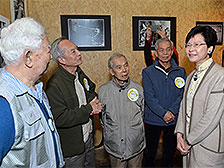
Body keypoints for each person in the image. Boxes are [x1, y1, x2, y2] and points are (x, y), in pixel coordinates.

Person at [0, 17, 64, 167]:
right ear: (28, 57)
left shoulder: (35, 88)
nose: (51, 57)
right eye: (48, 50)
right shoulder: (4, 105)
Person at [45, 37, 102, 168]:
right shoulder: (54, 85)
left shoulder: (79, 73)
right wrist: (89, 109)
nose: (78, 53)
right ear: (61, 60)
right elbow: (60, 118)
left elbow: (90, 89)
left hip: (88, 139)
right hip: (72, 149)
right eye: (73, 51)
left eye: (77, 49)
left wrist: (94, 100)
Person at [175, 26, 224, 168]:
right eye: (188, 45)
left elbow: (211, 117)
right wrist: (179, 134)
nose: (191, 49)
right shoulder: (191, 76)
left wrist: (188, 140)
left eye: (197, 44)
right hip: (188, 144)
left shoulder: (220, 75)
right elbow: (183, 106)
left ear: (210, 48)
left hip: (208, 146)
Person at [142, 38, 186, 167]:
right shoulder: (148, 72)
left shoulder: (181, 71)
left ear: (172, 52)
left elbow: (182, 95)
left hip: (173, 119)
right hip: (153, 120)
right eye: (161, 50)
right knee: (149, 154)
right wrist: (163, 113)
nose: (165, 53)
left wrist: (172, 111)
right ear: (156, 52)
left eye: (168, 49)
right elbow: (149, 97)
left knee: (169, 155)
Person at [98, 52, 145, 168]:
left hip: (135, 146)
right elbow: (102, 118)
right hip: (115, 147)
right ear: (111, 71)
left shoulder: (138, 89)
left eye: (126, 65)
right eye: (119, 67)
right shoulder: (103, 91)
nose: (124, 70)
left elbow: (142, 113)